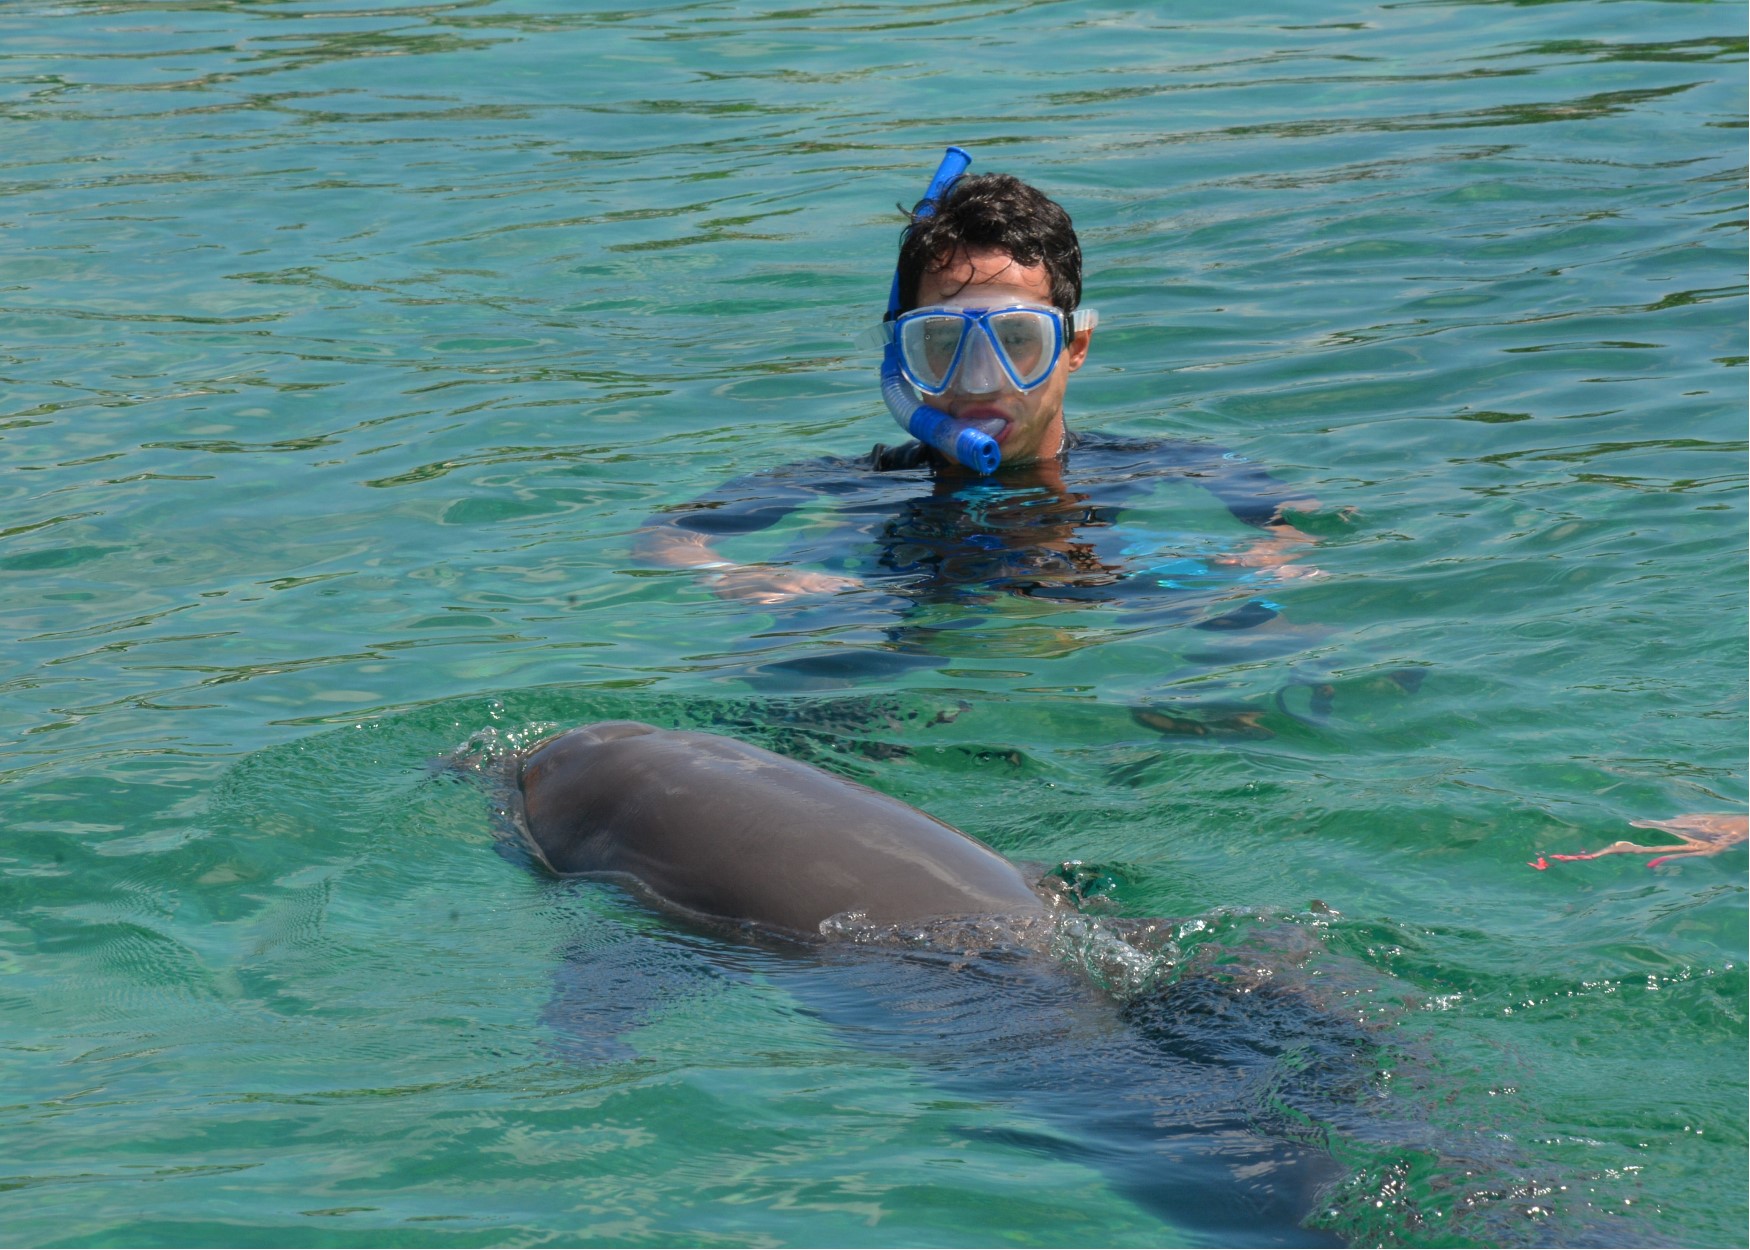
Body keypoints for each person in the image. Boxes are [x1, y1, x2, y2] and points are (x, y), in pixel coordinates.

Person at [635, 171, 1329, 624]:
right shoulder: (862, 485)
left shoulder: (1155, 466)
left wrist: (1278, 552)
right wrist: (739, 577)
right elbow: (663, 536)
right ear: (902, 359)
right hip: (908, 636)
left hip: (1098, 625)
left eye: (1016, 340)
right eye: (941, 344)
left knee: (1258, 628)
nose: (978, 377)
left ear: (1074, 347)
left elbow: (1295, 515)